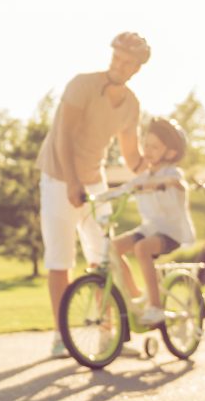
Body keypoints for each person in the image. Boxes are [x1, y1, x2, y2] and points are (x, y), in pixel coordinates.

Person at [36, 32, 150, 357]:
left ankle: (107, 335)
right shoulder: (82, 85)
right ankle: (61, 337)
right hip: (59, 177)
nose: (119, 65)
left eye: (127, 62)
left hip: (94, 181)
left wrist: (159, 169)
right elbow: (63, 137)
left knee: (104, 257)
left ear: (137, 69)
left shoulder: (131, 104)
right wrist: (72, 183)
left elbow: (132, 157)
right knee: (60, 259)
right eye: (116, 57)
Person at [113, 117, 196, 325]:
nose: (147, 151)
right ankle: (136, 294)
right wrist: (99, 197)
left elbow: (177, 183)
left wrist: (160, 183)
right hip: (150, 229)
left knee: (142, 248)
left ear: (171, 153)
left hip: (171, 233)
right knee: (112, 248)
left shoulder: (172, 173)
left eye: (154, 147)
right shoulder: (145, 175)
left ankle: (156, 307)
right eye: (146, 145)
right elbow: (125, 188)